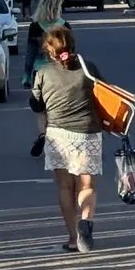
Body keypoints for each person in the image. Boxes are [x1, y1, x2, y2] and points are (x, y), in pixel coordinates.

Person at [29, 26, 103, 253]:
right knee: (87, 184)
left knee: (65, 186)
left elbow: (36, 105)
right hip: (88, 131)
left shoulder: (43, 73)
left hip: (58, 135)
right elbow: (105, 93)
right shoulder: (88, 68)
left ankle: (73, 238)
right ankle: (85, 221)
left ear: (49, 51)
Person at [23, 0, 70, 157]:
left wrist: (26, 77)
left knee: (41, 109)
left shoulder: (35, 27)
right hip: (62, 72)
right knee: (59, 108)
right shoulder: (64, 26)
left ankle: (44, 134)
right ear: (57, 7)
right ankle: (60, 140)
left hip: (40, 72)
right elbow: (70, 52)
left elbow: (30, 53)